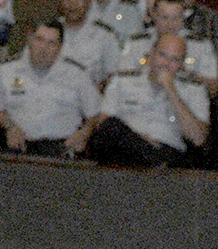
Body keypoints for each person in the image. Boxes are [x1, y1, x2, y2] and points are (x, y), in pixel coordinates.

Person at [0, 20, 101, 156]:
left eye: (51, 43)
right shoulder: (6, 70)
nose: (44, 48)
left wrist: (84, 133)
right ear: (30, 40)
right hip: (19, 148)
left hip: (61, 150)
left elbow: (94, 114)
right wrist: (9, 126)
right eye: (39, 40)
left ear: (60, 47)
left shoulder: (78, 74)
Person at [88, 32, 211, 168]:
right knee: (111, 127)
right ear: (151, 54)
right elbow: (103, 123)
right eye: (162, 55)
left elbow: (198, 138)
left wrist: (171, 90)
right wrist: (142, 141)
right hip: (125, 152)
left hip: (169, 156)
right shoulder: (123, 80)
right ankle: (153, 160)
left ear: (181, 64)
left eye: (174, 60)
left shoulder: (194, 90)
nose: (166, 64)